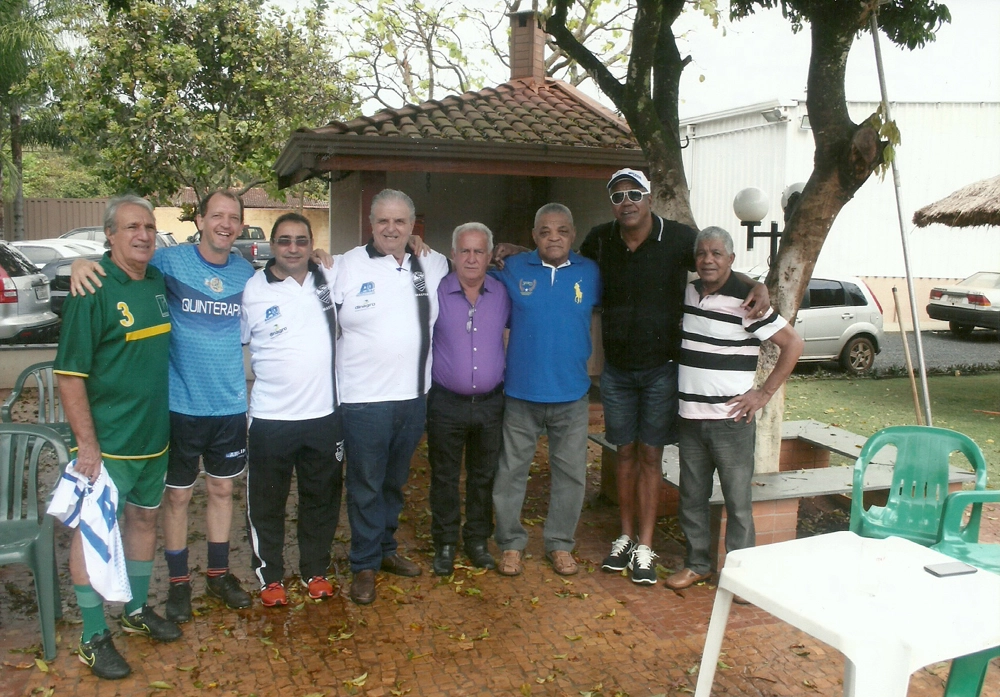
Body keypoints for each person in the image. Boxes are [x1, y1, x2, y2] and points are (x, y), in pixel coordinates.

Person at [70, 190, 257, 621]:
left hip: (228, 402)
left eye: (233, 218)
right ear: (200, 220)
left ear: (241, 226)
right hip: (178, 404)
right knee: (175, 499)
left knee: (222, 489)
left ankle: (217, 573)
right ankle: (177, 584)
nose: (225, 224)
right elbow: (122, 264)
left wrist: (322, 257)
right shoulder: (168, 263)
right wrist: (85, 263)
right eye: (217, 216)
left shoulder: (248, 275)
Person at [578, 169, 769, 585]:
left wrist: (760, 284)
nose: (626, 201)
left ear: (649, 198)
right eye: (618, 195)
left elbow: (717, 261)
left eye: (634, 194)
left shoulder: (680, 238)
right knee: (622, 454)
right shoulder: (599, 238)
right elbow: (569, 265)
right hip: (617, 372)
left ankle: (646, 547)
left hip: (662, 371)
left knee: (650, 456)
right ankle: (625, 537)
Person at [55, 195, 181, 680]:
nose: (143, 235)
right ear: (110, 235)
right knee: (91, 536)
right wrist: (86, 445)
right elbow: (69, 376)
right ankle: (92, 635)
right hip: (106, 447)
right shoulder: (91, 289)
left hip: (154, 439)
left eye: (149, 226)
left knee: (143, 522)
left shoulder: (154, 281)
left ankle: (134, 611)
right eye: (131, 227)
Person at [665, 226, 803, 591]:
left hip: (731, 422)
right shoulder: (689, 293)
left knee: (738, 503)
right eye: (702, 254)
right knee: (692, 498)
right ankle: (698, 564)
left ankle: (741, 578)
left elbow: (792, 344)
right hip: (690, 419)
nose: (708, 260)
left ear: (730, 259)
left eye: (717, 254)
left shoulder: (748, 300)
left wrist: (763, 394)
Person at [332, 189, 450, 604]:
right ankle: (363, 565)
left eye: (400, 221)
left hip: (414, 397)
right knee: (365, 484)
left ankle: (384, 550)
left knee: (394, 484)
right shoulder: (345, 265)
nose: (391, 228)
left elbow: (477, 264)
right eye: (383, 220)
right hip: (363, 400)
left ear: (412, 225)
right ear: (370, 222)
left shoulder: (432, 263)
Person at [491, 203, 600, 577]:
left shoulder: (590, 272)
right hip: (521, 394)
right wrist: (507, 250)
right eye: (545, 231)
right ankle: (510, 543)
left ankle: (559, 543)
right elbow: (473, 269)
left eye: (562, 231)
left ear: (572, 234)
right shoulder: (513, 269)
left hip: (571, 395)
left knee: (571, 476)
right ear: (534, 235)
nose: (554, 237)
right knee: (511, 473)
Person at [241, 213, 344, 607]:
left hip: (323, 416)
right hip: (270, 419)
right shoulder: (252, 290)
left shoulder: (329, 277)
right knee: (267, 502)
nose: (294, 248)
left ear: (311, 243)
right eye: (285, 241)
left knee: (322, 498)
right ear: (272, 245)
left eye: (302, 241)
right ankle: (269, 577)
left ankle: (315, 570)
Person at [427, 223, 510, 576]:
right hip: (446, 402)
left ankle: (477, 539)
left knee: (483, 475)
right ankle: (445, 542)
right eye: (465, 251)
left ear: (490, 256)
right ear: (453, 255)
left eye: (479, 251)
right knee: (444, 476)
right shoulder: (435, 291)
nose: (472, 258)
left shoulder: (503, 294)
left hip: (491, 403)